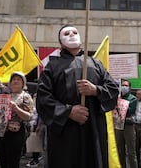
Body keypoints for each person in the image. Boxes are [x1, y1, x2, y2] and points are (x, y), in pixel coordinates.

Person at [36, 24, 119, 168]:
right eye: (66, 33)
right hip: (65, 133)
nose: (71, 35)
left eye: (75, 32)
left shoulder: (96, 63)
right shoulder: (52, 66)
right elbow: (43, 99)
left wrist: (96, 90)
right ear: (61, 43)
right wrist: (68, 112)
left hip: (93, 130)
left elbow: (112, 89)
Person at [0, 71, 34, 168]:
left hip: (16, 132)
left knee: (13, 162)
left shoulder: (25, 96)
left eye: (18, 80)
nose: (15, 81)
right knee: (3, 161)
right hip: (2, 132)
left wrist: (16, 108)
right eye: (13, 79)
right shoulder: (5, 95)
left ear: (23, 83)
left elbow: (29, 116)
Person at [115, 79, 138, 168]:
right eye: (122, 85)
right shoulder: (118, 97)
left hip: (128, 126)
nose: (124, 87)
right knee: (120, 150)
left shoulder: (133, 99)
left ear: (129, 88)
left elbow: (128, 111)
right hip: (119, 126)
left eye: (126, 85)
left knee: (131, 152)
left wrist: (118, 106)